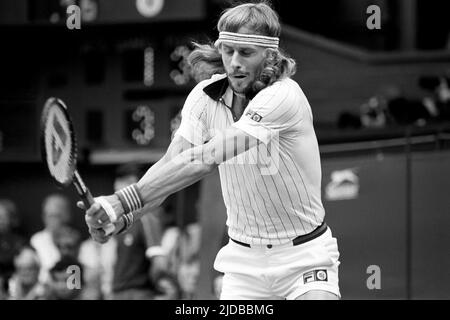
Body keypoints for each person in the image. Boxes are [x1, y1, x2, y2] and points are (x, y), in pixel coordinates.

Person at [81, 2, 340, 300]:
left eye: (245, 53)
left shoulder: (284, 96)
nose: (234, 63)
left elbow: (203, 160)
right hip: (244, 265)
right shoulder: (203, 98)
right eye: (228, 50)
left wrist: (119, 201)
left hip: (304, 257)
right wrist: (124, 218)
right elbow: (172, 165)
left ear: (269, 56)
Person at [30, 193, 72, 283]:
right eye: (48, 215)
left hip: (70, 288)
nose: (51, 220)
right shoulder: (36, 240)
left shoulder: (74, 238)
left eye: (56, 216)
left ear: (66, 216)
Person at [0, 199, 26, 298]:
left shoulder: (19, 242)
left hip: (17, 285)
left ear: (12, 219)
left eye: (4, 217)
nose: (1, 221)